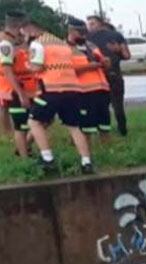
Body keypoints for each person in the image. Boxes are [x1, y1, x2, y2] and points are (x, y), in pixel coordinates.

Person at [27, 18, 94, 173]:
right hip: (73, 89)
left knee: (34, 122)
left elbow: (37, 67)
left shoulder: (38, 43)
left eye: (24, 30)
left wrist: (27, 66)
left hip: (51, 88)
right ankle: (86, 162)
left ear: (31, 29)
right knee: (74, 126)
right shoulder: (63, 45)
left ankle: (47, 158)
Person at [69, 20, 111, 149]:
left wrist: (105, 62)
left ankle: (107, 150)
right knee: (86, 126)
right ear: (71, 32)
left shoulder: (91, 45)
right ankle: (86, 151)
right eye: (80, 33)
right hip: (83, 91)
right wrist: (88, 67)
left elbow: (103, 62)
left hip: (101, 88)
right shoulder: (66, 48)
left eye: (84, 33)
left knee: (104, 123)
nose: (83, 36)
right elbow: (68, 70)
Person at [0, 11, 36, 157]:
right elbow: (8, 71)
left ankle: (23, 147)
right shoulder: (6, 44)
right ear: (19, 26)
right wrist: (21, 95)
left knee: (38, 120)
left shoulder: (15, 42)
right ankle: (24, 158)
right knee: (21, 125)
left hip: (28, 88)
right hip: (15, 89)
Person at [87, 15, 129, 136]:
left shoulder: (112, 36)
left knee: (113, 106)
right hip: (102, 75)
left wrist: (117, 50)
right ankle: (119, 131)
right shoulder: (115, 35)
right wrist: (118, 51)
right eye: (88, 24)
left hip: (105, 75)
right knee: (113, 105)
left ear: (100, 23)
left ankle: (116, 130)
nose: (90, 26)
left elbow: (126, 55)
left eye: (92, 23)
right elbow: (126, 55)